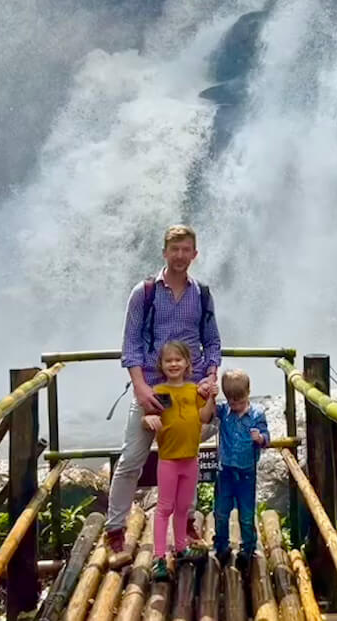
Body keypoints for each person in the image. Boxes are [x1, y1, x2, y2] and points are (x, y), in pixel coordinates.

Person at [105, 224, 221, 554]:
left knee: (188, 457)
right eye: (175, 249)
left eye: (187, 250)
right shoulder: (145, 293)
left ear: (194, 254)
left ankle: (186, 526)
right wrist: (140, 387)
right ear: (165, 252)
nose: (181, 256)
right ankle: (115, 528)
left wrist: (210, 375)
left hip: (191, 389)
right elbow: (130, 345)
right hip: (153, 389)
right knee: (131, 459)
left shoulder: (203, 295)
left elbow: (212, 342)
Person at [143, 341, 216, 580]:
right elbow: (150, 418)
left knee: (183, 507)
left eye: (178, 360)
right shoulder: (160, 392)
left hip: (190, 460)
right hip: (169, 460)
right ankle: (159, 557)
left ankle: (182, 547)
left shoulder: (194, 390)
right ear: (162, 365)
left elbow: (205, 417)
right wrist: (148, 421)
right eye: (168, 361)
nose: (173, 364)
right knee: (164, 508)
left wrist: (211, 398)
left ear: (187, 364)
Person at [214, 369, 270, 573]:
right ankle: (221, 545)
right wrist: (209, 392)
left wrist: (261, 439)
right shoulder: (223, 411)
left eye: (239, 400)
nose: (235, 405)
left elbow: (266, 438)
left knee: (246, 514)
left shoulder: (257, 414)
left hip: (247, 473)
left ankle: (248, 548)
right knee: (221, 511)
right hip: (226, 471)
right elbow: (207, 412)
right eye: (231, 401)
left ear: (248, 392)